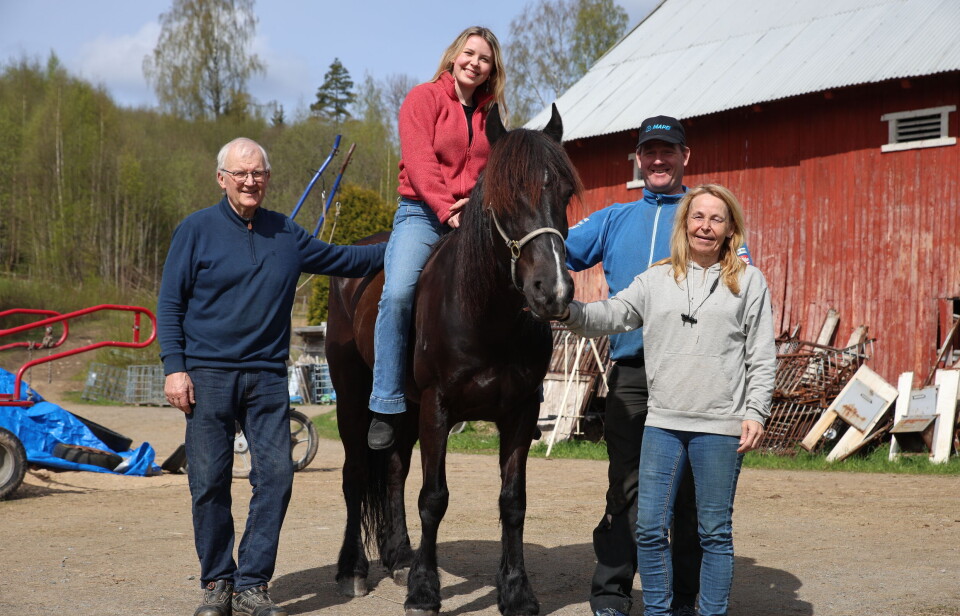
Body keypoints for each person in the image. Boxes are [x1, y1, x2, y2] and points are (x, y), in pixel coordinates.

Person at [157, 137, 386, 616]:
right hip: (208, 375)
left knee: (277, 477)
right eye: (240, 173)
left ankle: (251, 586)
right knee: (209, 482)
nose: (249, 181)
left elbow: (349, 259)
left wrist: (408, 242)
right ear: (221, 179)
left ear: (267, 179)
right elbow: (171, 304)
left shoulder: (285, 233)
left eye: (257, 173)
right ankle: (217, 583)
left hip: (265, 377)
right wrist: (175, 368)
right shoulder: (195, 230)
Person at [567, 115, 756, 616]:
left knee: (691, 496)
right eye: (648, 151)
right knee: (626, 487)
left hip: (698, 376)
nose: (657, 160)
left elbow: (741, 294)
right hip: (633, 375)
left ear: (684, 156)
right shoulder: (613, 218)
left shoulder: (708, 219)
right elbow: (551, 250)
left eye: (667, 151)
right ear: (637, 158)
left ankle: (686, 598)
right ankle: (612, 593)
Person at [366, 26, 508, 449]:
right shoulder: (422, 98)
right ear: (453, 56)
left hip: (474, 216)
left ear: (492, 70)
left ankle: (524, 391)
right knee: (397, 295)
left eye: (484, 59)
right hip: (423, 214)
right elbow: (419, 160)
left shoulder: (491, 114)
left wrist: (476, 205)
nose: (475, 63)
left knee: (518, 281)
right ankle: (386, 402)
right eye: (469, 53)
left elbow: (496, 170)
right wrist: (448, 208)